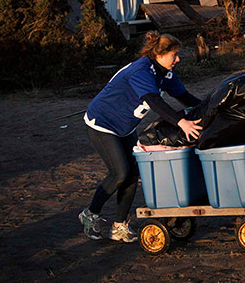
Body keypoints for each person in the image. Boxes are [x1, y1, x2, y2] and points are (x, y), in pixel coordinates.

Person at [79, 31, 203, 242]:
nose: (178, 59)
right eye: (175, 54)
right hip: (102, 124)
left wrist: (207, 109)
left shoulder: (165, 72)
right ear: (161, 54)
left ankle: (119, 226)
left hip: (125, 127)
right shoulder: (141, 71)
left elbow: (183, 96)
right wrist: (181, 122)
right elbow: (155, 102)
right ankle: (89, 214)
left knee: (132, 173)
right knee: (120, 173)